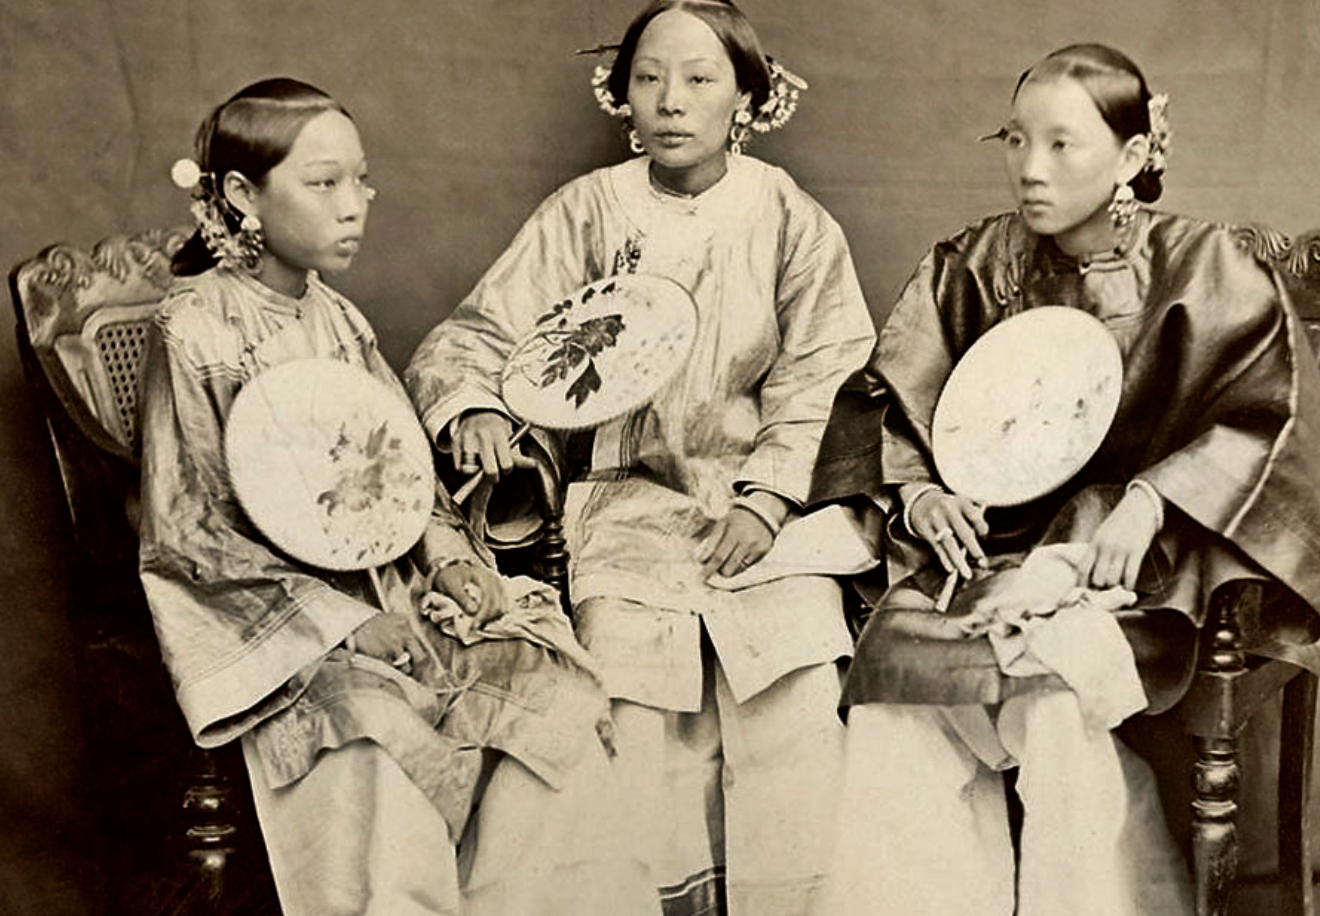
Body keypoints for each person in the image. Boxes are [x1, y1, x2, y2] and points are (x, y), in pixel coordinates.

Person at [810, 43, 1320, 916]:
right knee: (897, 695)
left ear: (1132, 156)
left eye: (1060, 145)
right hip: (983, 550)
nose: (1028, 170)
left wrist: (1154, 498)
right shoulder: (973, 264)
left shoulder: (1206, 267)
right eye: (1014, 140)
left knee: (1052, 694)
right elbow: (887, 396)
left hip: (1143, 565)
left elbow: (1272, 413)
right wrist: (923, 490)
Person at [138, 77, 660, 916]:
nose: (354, 207)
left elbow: (403, 473)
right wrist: (346, 625)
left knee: (548, 694)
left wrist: (451, 562)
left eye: (361, 179)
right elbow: (191, 529)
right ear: (242, 195)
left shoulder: (339, 320)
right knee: (371, 724)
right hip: (284, 632)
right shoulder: (194, 328)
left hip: (391, 594)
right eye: (323, 183)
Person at [404, 3, 876, 913]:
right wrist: (477, 406)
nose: (672, 102)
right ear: (620, 92)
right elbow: (476, 335)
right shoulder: (586, 211)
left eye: (700, 79)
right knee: (624, 690)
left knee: (795, 684)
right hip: (630, 502)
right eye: (650, 77)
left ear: (746, 96)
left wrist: (768, 497)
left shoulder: (788, 217)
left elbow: (826, 371)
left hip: (764, 507)